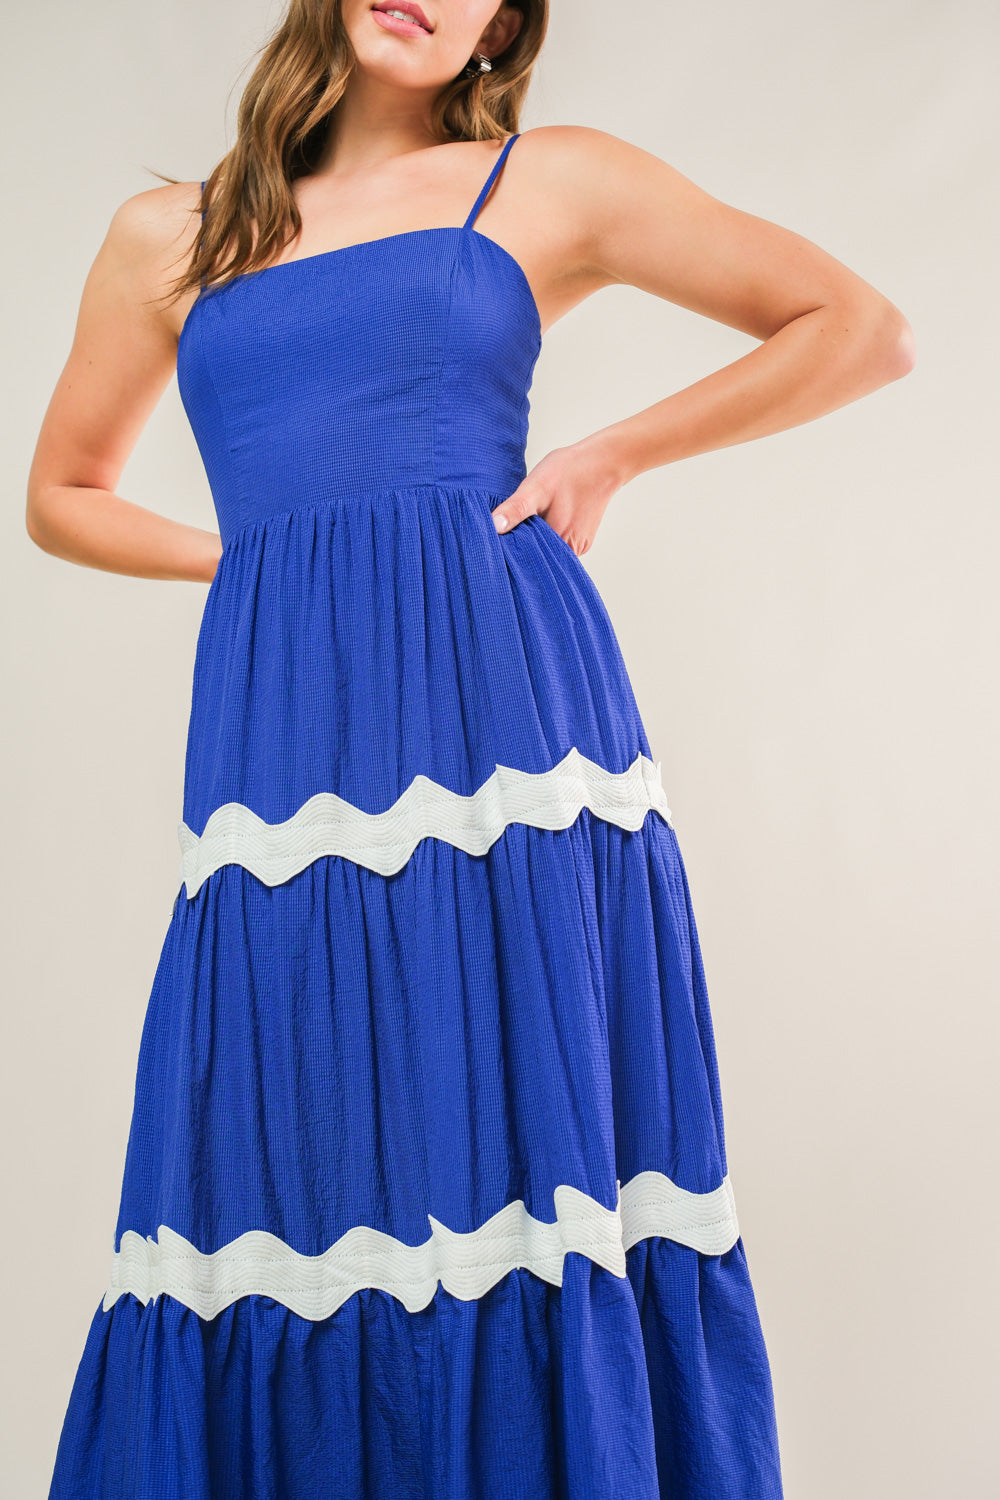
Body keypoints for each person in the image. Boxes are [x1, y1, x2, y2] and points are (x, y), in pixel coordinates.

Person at [28, 2, 914, 1496]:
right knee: (278, 1127)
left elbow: (861, 329)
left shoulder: (548, 179)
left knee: (511, 1117)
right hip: (283, 726)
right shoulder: (163, 236)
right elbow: (61, 489)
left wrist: (613, 451)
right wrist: (256, 563)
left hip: (505, 709)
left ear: (506, 24)